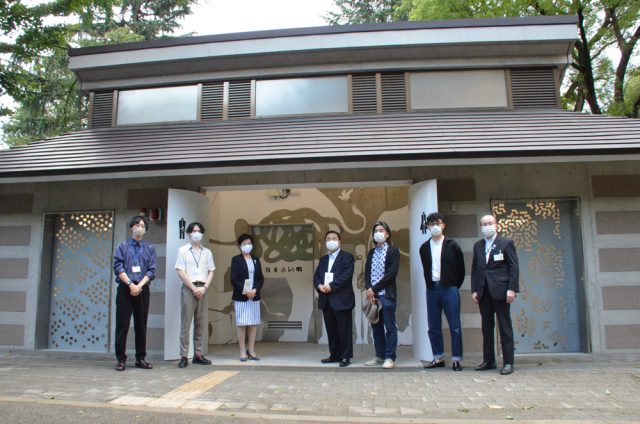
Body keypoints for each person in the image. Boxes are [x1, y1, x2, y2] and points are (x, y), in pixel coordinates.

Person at [471, 214, 520, 375]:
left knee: (505, 327)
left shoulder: (506, 243)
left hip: (501, 291)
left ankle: (508, 362)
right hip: (483, 292)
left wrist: (512, 289)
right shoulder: (478, 246)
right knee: (486, 328)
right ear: (481, 227)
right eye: (484, 224)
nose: (487, 226)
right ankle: (489, 360)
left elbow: (514, 268)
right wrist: (474, 290)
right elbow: (475, 269)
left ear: (496, 225)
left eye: (490, 223)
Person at [419, 212, 466, 371]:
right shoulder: (424, 248)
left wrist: (453, 285)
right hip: (432, 289)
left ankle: (456, 359)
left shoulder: (453, 245)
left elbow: (461, 270)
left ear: (443, 225)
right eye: (431, 224)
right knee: (433, 326)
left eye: (437, 223)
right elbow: (425, 269)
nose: (434, 226)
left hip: (449, 288)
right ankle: (438, 357)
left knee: (455, 326)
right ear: (428, 226)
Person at [113, 215, 157, 371]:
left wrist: (140, 286)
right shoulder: (122, 246)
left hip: (143, 289)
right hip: (126, 288)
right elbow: (118, 267)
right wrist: (131, 284)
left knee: (141, 325)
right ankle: (121, 359)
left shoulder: (150, 248)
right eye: (137, 224)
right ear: (131, 227)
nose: (140, 227)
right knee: (122, 325)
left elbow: (152, 270)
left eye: (143, 226)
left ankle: (141, 358)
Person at [175, 222, 215, 368]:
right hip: (188, 288)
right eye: (194, 231)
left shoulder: (207, 252)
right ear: (189, 233)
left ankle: (198, 354)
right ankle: (184, 355)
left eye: (199, 231)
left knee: (201, 323)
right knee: (186, 323)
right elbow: (180, 271)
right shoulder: (183, 250)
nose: (197, 233)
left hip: (203, 288)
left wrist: (204, 288)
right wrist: (193, 288)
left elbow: (211, 271)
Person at [313, 230, 355, 368]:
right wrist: (319, 286)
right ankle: (334, 355)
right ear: (325, 242)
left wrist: (331, 286)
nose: (331, 241)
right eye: (328, 239)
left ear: (339, 241)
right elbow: (316, 275)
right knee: (331, 330)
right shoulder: (323, 259)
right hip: (326, 299)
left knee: (344, 329)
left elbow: (346, 276)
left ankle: (345, 356)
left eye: (334, 238)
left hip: (341, 299)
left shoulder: (347, 257)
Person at [364, 221, 400, 369]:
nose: (378, 233)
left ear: (387, 234)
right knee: (376, 327)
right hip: (373, 296)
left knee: (390, 327)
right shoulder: (371, 252)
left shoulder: (393, 251)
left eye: (381, 230)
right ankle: (379, 356)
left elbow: (391, 274)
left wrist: (375, 288)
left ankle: (390, 357)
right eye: (376, 231)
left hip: (386, 295)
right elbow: (367, 273)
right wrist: (369, 289)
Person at [230, 233, 264, 362]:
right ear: (240, 246)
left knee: (253, 323)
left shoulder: (256, 259)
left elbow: (260, 278)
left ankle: (251, 350)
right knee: (242, 323)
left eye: (249, 243)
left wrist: (255, 289)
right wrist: (245, 291)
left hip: (254, 296)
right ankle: (242, 351)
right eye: (244, 244)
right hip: (241, 296)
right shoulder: (236, 259)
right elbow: (233, 279)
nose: (247, 246)